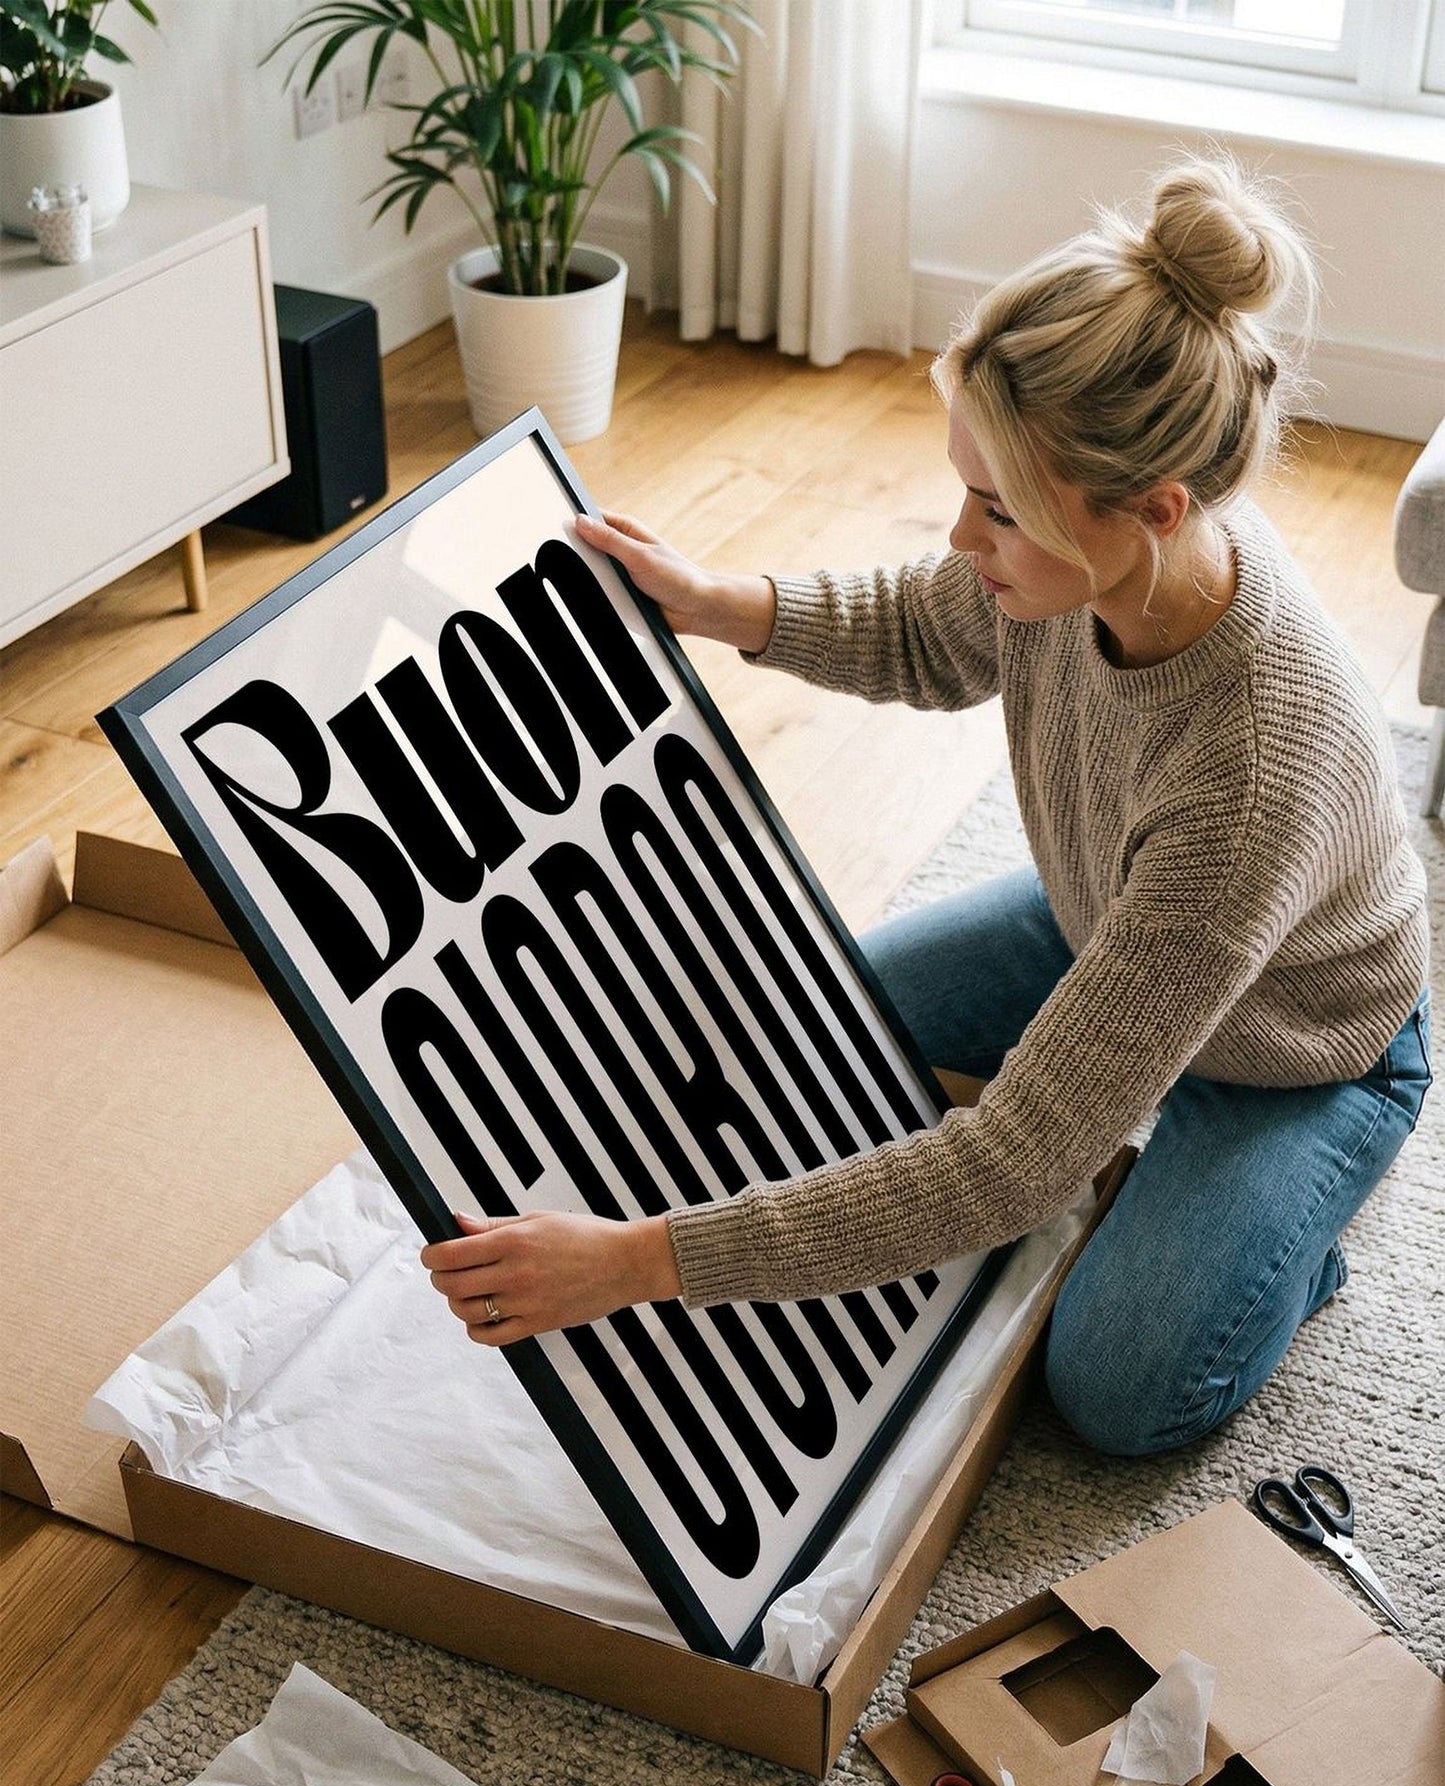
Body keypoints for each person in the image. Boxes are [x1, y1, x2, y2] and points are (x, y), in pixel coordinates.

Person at [423, 155, 1431, 1456]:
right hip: (1099, 917)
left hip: (1296, 1047)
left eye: (997, 510)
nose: (961, 537)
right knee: (800, 1042)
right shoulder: (1092, 562)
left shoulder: (1249, 773)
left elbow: (1013, 1164)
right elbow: (922, 625)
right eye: (966, 487)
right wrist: (720, 603)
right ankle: (1151, 1124)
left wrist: (637, 1261)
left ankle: (1283, 1247)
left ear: (1153, 510)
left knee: (1121, 1386)